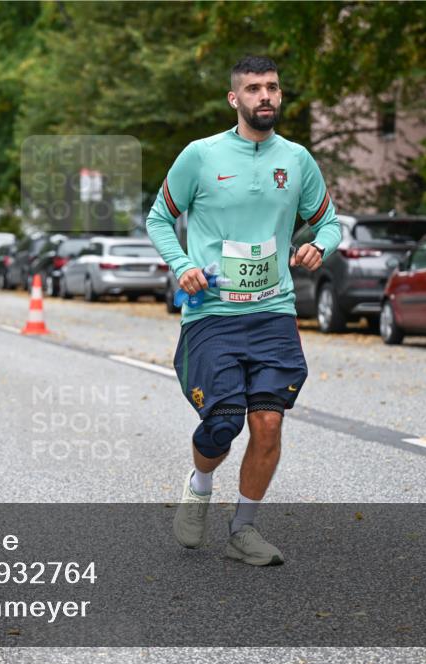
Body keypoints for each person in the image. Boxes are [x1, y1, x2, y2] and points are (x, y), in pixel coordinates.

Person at [146, 56, 341, 566]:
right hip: (211, 313)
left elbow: (330, 223)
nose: (265, 96)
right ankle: (200, 484)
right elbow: (159, 217)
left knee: (269, 423)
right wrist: (182, 265)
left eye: (272, 87)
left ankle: (243, 530)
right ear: (234, 99)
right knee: (224, 421)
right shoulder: (200, 156)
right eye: (253, 88)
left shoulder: (297, 160)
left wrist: (320, 246)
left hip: (273, 311)